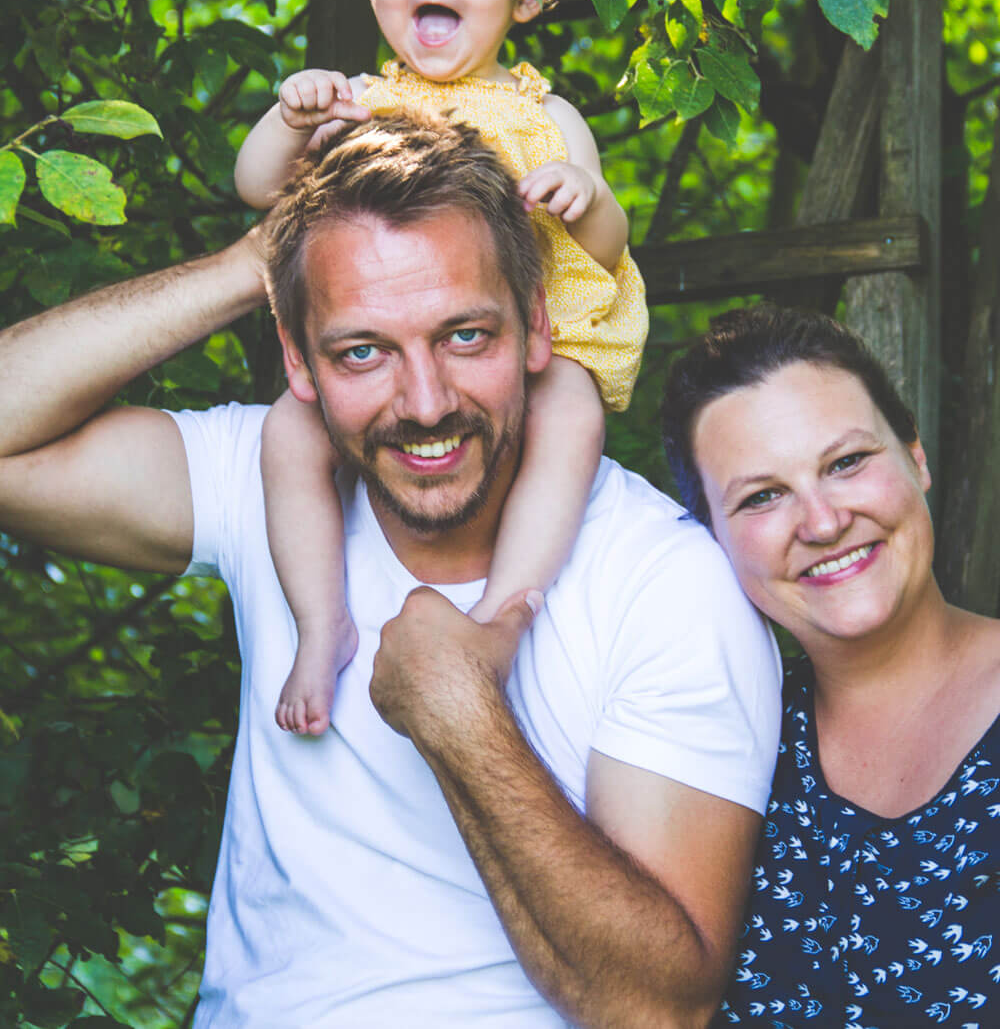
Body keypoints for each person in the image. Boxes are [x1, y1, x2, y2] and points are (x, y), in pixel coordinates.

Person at [0, 111, 781, 1028]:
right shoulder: (274, 486)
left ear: (536, 327)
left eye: (464, 337)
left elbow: (659, 1010)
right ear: (300, 359)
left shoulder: (667, 582)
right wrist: (250, 264)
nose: (425, 404)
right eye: (361, 350)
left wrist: (463, 721)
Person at [234, 0, 648, 736]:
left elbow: (610, 246)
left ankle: (504, 615)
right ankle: (321, 621)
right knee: (285, 434)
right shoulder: (362, 101)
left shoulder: (549, 115)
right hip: (416, 332)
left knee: (572, 416)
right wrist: (288, 112)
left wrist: (581, 196)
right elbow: (259, 188)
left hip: (547, 329)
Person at [661, 304, 1000, 1027]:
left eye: (846, 462)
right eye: (763, 496)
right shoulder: (721, 758)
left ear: (916, 458)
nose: (821, 523)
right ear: (712, 542)